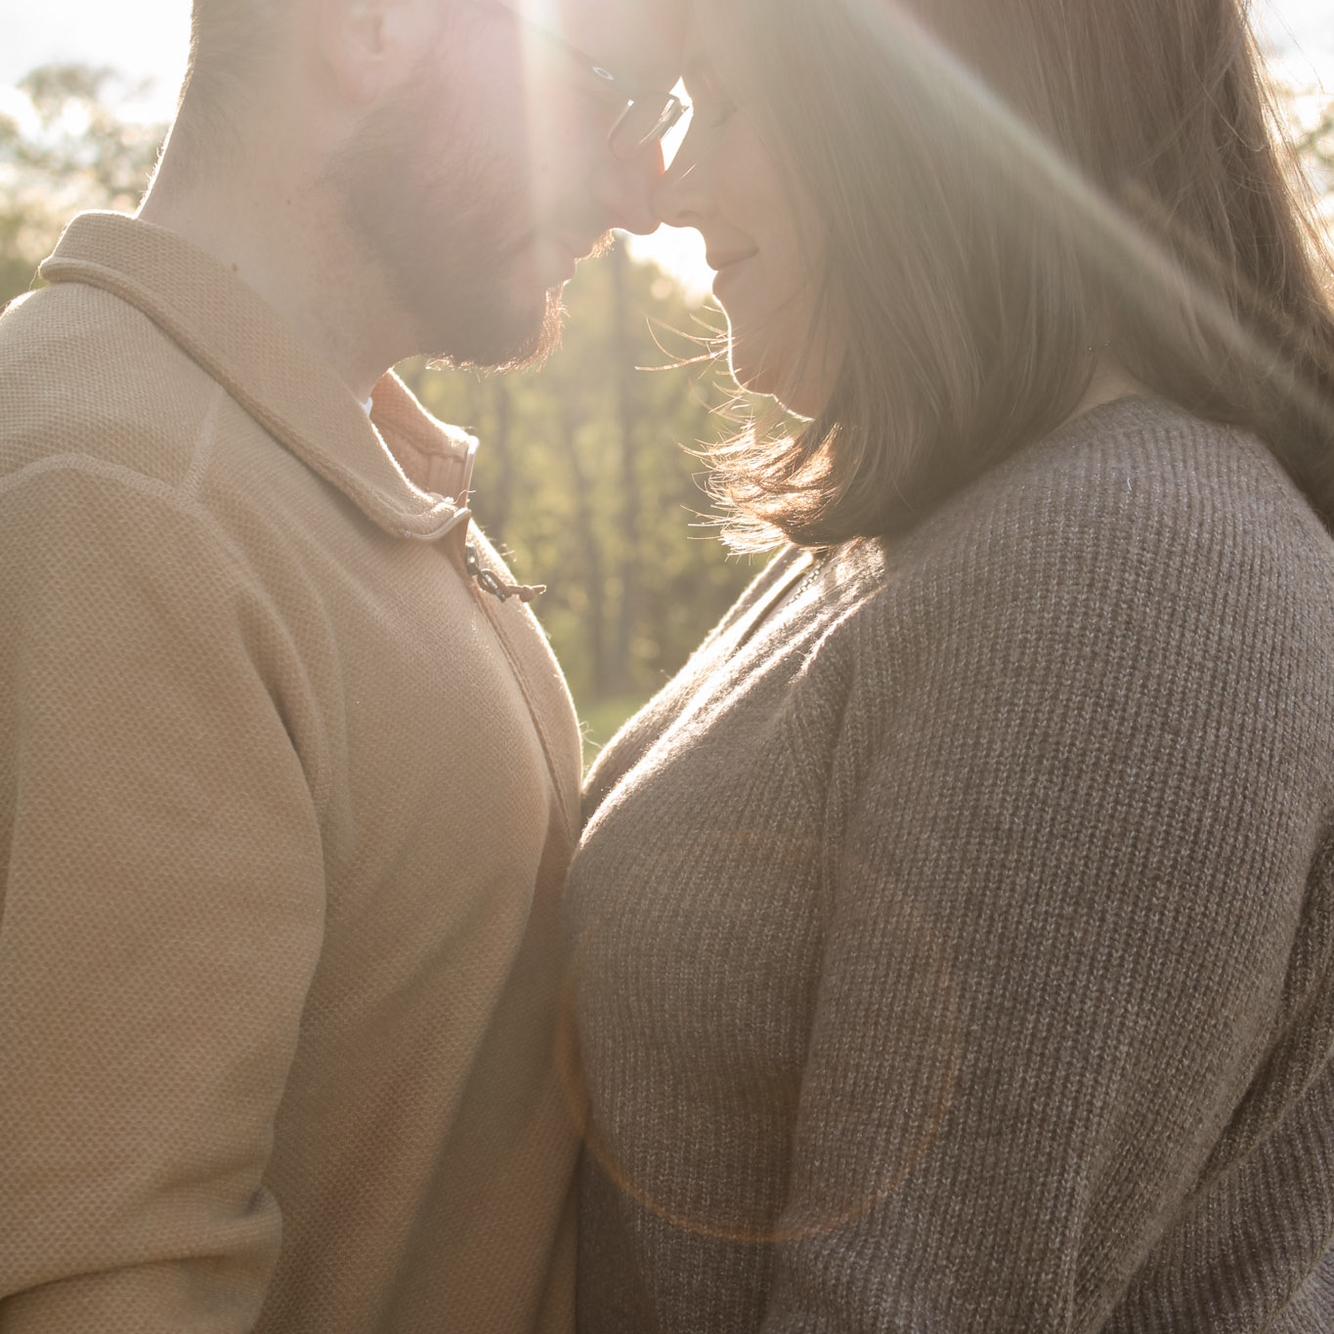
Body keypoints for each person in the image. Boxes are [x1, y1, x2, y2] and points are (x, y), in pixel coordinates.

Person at [565, 0, 1334, 1329]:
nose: (670, 183)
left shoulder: (1122, 575)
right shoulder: (954, 528)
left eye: (724, 101)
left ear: (920, 117)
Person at [0, 0, 683, 1329]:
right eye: (611, 93)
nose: (639, 188)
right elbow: (107, 1285)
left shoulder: (269, 457)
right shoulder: (133, 504)